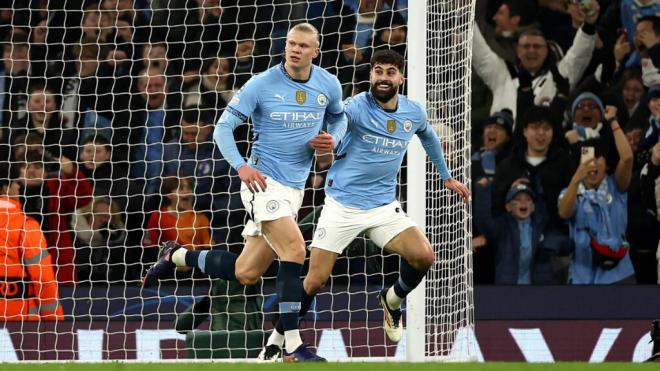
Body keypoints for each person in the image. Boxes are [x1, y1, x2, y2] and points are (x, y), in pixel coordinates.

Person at [142, 22, 347, 362]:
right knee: (295, 250)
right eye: (291, 43)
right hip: (261, 183)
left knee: (246, 272)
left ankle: (176, 256)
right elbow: (223, 128)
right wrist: (242, 166)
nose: (295, 49)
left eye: (302, 45)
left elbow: (338, 119)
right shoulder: (261, 84)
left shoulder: (328, 83)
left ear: (316, 50)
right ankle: (291, 345)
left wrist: (333, 138)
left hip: (294, 189)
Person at [264, 49, 470, 357]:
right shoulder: (355, 107)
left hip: (383, 208)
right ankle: (277, 340)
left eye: (389, 72)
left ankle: (392, 300)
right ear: (370, 75)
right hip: (341, 205)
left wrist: (446, 176)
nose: (383, 77)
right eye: (378, 71)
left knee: (424, 256)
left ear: (401, 78)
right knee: (314, 281)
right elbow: (338, 123)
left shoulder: (413, 112)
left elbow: (427, 135)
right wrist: (331, 141)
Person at [558, 106, 635, 284]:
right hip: (581, 278)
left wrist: (613, 122)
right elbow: (564, 213)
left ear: (607, 165)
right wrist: (576, 178)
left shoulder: (616, 187)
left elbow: (627, 158)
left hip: (620, 276)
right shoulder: (570, 192)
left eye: (598, 157)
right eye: (587, 158)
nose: (592, 162)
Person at [0, 165, 64, 320]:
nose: (19, 187)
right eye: (16, 182)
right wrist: (55, 321)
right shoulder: (25, 226)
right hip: (18, 321)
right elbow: (43, 278)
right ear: (5, 188)